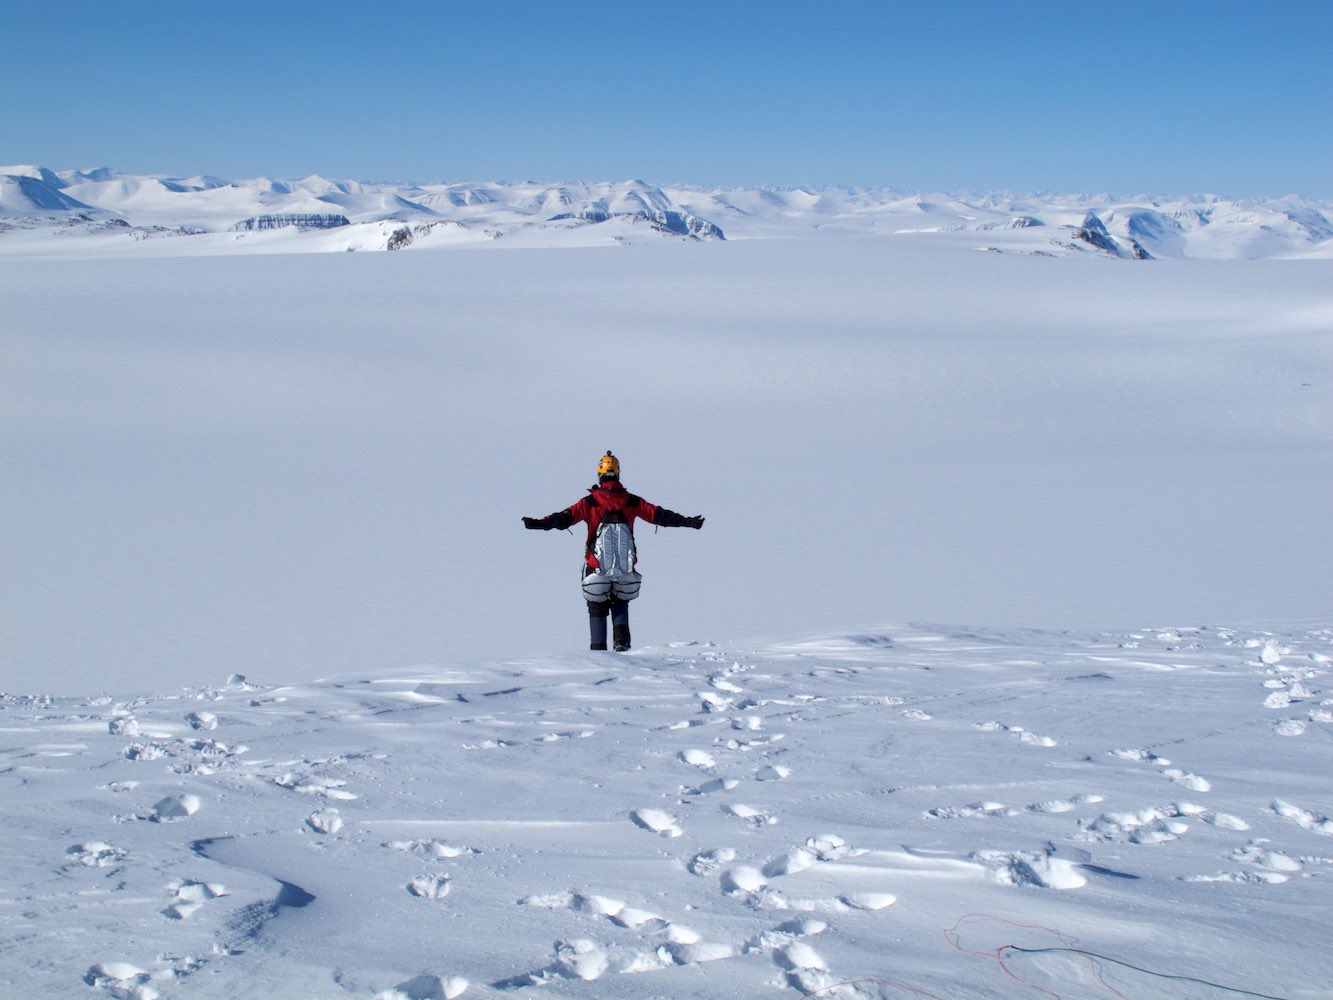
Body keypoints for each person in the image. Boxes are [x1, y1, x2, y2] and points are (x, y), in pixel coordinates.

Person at [523, 451, 704, 651]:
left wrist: (537, 524)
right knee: (620, 602)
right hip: (624, 570)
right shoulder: (632, 501)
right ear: (618, 474)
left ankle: (599, 654)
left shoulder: (590, 502)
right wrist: (689, 522)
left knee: (597, 607)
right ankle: (622, 649)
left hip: (596, 569)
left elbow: (562, 518)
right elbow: (660, 515)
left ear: (599, 475)